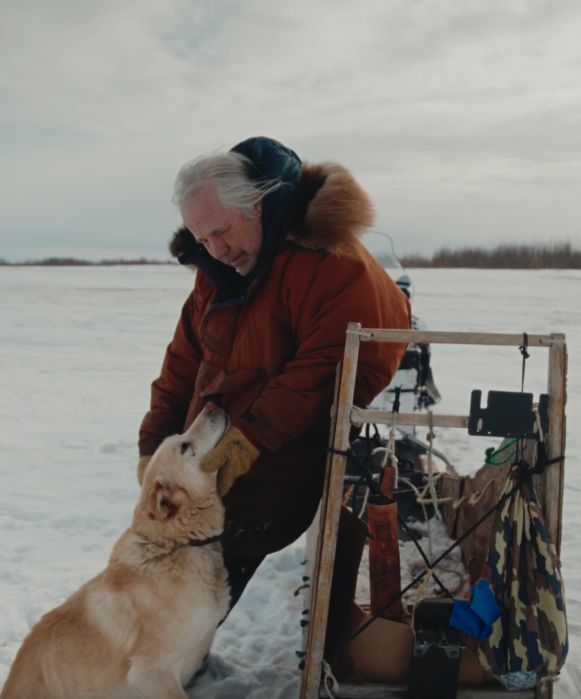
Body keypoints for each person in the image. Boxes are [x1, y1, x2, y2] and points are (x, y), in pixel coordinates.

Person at [137, 136, 411, 612]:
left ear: (258, 205)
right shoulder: (218, 270)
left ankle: (170, 663)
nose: (216, 250)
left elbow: (329, 369)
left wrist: (246, 443)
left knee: (193, 595)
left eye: (221, 231)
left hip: (273, 466)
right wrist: (153, 442)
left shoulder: (333, 263)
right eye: (201, 239)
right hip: (202, 463)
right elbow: (183, 362)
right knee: (161, 586)